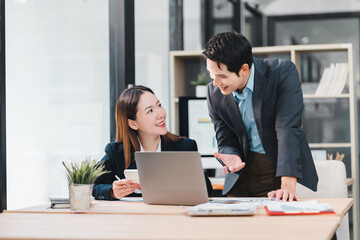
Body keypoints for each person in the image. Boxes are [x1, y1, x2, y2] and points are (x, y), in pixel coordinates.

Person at [203, 31, 318, 201]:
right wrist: (231, 155)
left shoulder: (281, 73)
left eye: (222, 76)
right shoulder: (214, 92)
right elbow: (225, 137)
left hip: (275, 171)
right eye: (211, 74)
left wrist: (287, 185)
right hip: (239, 177)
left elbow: (287, 128)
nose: (215, 83)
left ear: (244, 69)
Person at [93, 85, 212, 200]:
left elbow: (207, 190)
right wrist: (112, 192)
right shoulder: (116, 152)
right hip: (134, 218)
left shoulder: (185, 147)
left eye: (159, 105)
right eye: (150, 111)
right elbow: (89, 186)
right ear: (133, 124)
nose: (161, 114)